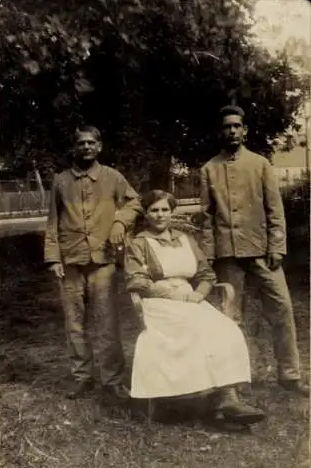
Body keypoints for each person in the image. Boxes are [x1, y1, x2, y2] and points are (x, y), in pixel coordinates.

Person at [124, 189, 265, 425]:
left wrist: (199, 294)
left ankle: (228, 396)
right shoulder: (139, 243)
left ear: (172, 212)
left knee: (225, 328)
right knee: (194, 329)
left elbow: (206, 274)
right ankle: (217, 396)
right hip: (158, 302)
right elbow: (136, 280)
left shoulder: (185, 239)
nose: (160, 215)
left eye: (165, 210)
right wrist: (170, 293)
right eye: (154, 210)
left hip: (191, 299)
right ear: (146, 214)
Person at [200, 105, 308, 396]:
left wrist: (277, 246)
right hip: (227, 255)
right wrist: (209, 256)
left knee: (282, 308)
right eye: (226, 127)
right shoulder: (209, 169)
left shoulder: (261, 164)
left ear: (244, 130)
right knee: (230, 317)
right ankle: (236, 378)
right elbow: (206, 218)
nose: (232, 131)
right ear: (220, 132)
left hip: (262, 252)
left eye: (237, 126)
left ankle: (289, 374)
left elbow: (275, 210)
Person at [44, 125, 141, 400]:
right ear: (74, 147)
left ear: (99, 147)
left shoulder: (113, 177)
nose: (86, 147)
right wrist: (53, 257)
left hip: (103, 261)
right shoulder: (61, 181)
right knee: (74, 323)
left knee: (107, 322)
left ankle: (112, 379)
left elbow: (135, 202)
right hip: (71, 261)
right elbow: (52, 220)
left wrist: (120, 220)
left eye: (91, 143)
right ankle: (81, 377)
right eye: (81, 143)